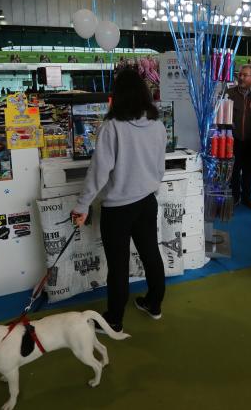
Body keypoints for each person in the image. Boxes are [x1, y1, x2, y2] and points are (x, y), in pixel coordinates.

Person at [71, 69, 167, 333]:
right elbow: (160, 168)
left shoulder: (112, 127)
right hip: (147, 202)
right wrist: (149, 187)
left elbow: (99, 172)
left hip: (118, 209)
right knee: (151, 254)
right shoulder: (157, 124)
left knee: (118, 265)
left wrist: (81, 206)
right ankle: (154, 304)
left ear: (118, 95)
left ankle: (114, 319)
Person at [226, 64, 251, 209]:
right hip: (233, 139)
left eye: (244, 75)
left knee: (249, 170)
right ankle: (235, 196)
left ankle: (247, 197)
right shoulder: (229, 93)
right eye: (240, 74)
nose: (241, 77)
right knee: (234, 170)